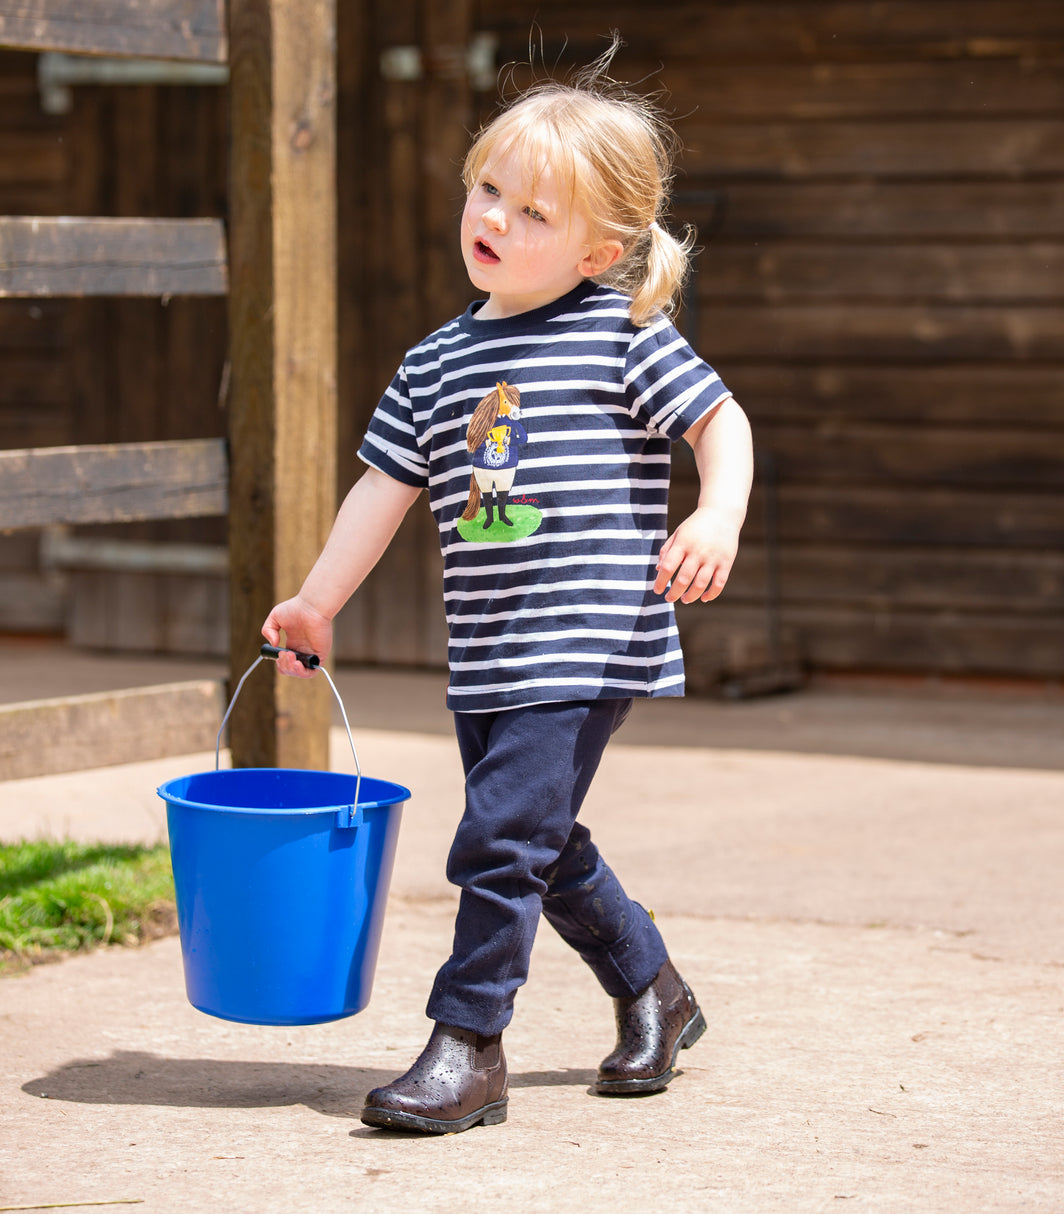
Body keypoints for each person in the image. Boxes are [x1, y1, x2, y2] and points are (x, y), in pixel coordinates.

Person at [261, 43, 753, 1135]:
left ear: (599, 247)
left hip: (585, 637)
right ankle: (655, 991)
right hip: (486, 647)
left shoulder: (618, 332)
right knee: (537, 834)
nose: (495, 217)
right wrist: (316, 600)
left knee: (495, 840)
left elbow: (721, 421)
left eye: (532, 211)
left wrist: (714, 512)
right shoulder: (433, 360)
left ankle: (468, 1041)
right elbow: (380, 491)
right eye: (489, 189)